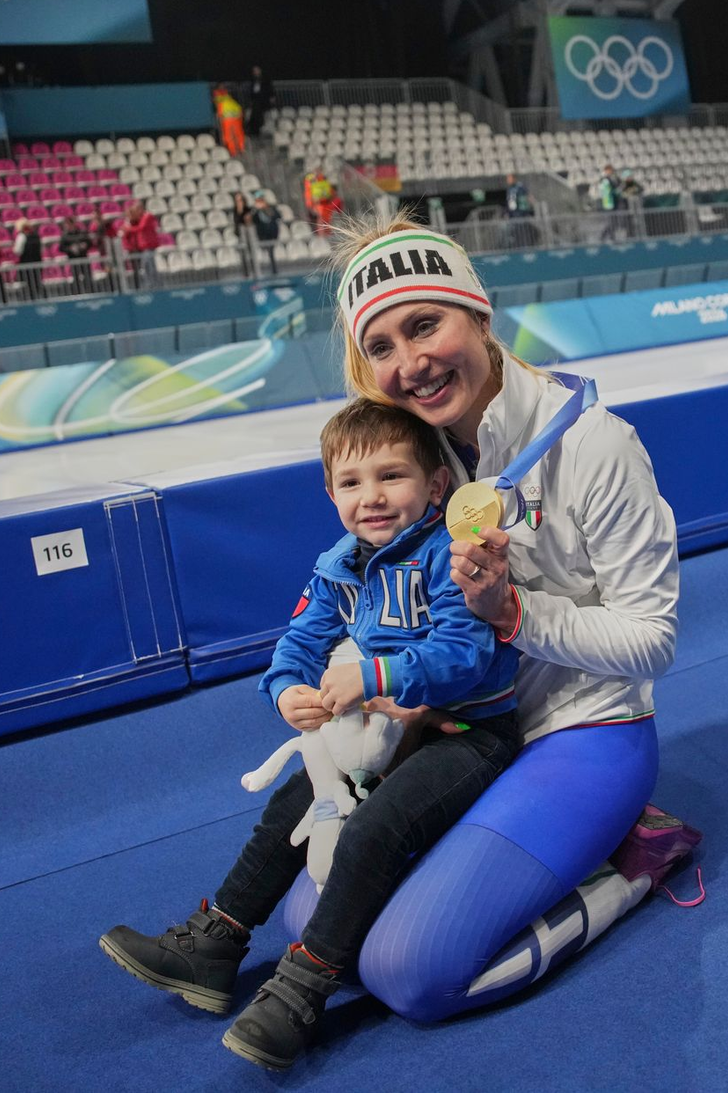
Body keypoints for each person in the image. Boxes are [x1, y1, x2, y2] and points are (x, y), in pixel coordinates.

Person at [98, 213, 686, 1069]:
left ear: (477, 313)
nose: (410, 362)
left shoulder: (595, 445)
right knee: (315, 914)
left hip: (581, 728)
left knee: (412, 974)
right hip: (448, 724)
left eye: (425, 324)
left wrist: (514, 616)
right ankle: (227, 941)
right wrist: (347, 680)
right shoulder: (416, 447)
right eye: (381, 345)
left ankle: (630, 864)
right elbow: (362, 588)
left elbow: (654, 639)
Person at [101, 396, 522, 1071]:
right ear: (331, 494)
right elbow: (296, 646)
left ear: (436, 484)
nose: (371, 496)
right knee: (290, 806)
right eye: (351, 482)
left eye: (392, 475)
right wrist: (287, 691)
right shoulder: (338, 566)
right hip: (382, 734)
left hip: (467, 731)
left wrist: (375, 675)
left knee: (375, 826)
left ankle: (303, 987)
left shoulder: (451, 556)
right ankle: (215, 941)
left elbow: (465, 655)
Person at [118, 200, 159, 289]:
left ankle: (154, 285)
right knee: (146, 266)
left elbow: (141, 228)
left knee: (148, 266)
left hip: (147, 245)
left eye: (137, 209)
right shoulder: (136, 220)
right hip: (141, 247)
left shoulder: (146, 216)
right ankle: (149, 285)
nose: (136, 212)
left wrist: (128, 229)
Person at [59, 215, 94, 294]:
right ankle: (78, 294)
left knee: (87, 277)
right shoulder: (65, 236)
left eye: (68, 224)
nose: (67, 226)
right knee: (76, 278)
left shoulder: (82, 233)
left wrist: (84, 245)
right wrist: (70, 249)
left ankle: (90, 292)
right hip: (73, 260)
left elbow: (90, 243)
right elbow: (61, 248)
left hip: (83, 259)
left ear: (72, 224)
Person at [12, 218, 42, 299]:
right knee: (37, 283)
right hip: (37, 263)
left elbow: (17, 251)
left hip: (26, 263)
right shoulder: (36, 235)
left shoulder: (21, 236)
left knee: (29, 284)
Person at [250, 193, 281, 271]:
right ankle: (266, 269)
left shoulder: (271, 208)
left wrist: (266, 209)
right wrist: (256, 210)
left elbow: (278, 216)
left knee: (272, 252)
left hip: (272, 233)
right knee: (265, 252)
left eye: (261, 200)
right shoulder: (255, 211)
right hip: (262, 234)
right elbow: (253, 220)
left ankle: (274, 269)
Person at [504, 172, 536, 248]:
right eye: (507, 179)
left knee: (523, 230)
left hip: (521, 213)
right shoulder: (509, 189)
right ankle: (518, 246)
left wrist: (532, 206)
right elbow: (509, 201)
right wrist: (507, 213)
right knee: (515, 232)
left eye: (509, 178)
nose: (507, 180)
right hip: (513, 214)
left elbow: (528, 196)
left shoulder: (520, 186)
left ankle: (526, 246)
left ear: (514, 178)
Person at [213, 86, 246, 157]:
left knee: (229, 136)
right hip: (237, 119)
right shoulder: (231, 100)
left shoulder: (221, 103)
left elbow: (220, 115)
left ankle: (232, 151)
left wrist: (219, 119)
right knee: (239, 134)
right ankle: (241, 148)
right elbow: (240, 110)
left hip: (227, 120)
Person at [597, 163, 624, 241]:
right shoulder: (604, 180)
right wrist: (617, 190)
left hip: (615, 203)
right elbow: (607, 191)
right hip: (608, 203)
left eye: (611, 170)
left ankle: (608, 237)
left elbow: (619, 184)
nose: (610, 172)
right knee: (611, 222)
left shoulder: (614, 178)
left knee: (614, 222)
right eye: (609, 170)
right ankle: (606, 237)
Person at [246, 66, 274, 137]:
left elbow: (270, 88)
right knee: (254, 115)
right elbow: (252, 91)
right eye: (254, 71)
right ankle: (254, 130)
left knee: (260, 115)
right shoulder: (253, 80)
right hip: (256, 100)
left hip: (263, 100)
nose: (255, 72)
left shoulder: (265, 79)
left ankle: (258, 129)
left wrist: (272, 96)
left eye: (256, 71)